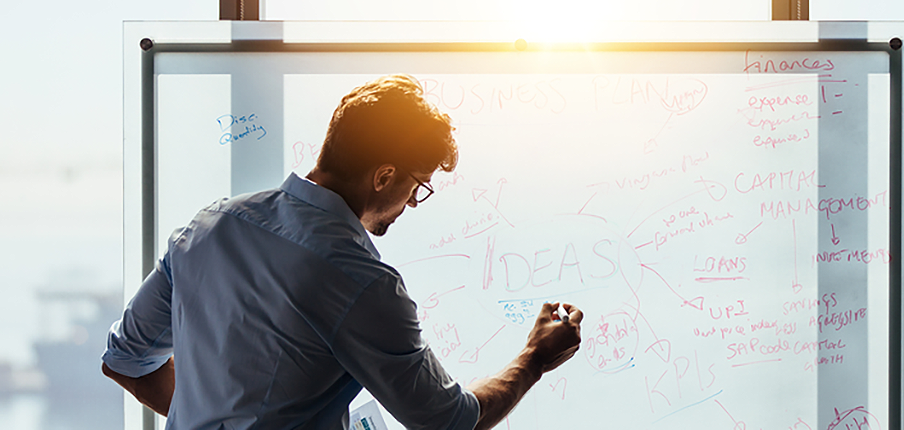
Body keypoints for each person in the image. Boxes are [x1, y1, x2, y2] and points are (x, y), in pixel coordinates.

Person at [100, 74, 583, 430]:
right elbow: (447, 421)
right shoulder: (361, 279)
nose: (411, 205)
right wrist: (534, 359)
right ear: (384, 175)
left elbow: (124, 361)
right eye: (418, 189)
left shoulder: (210, 226)